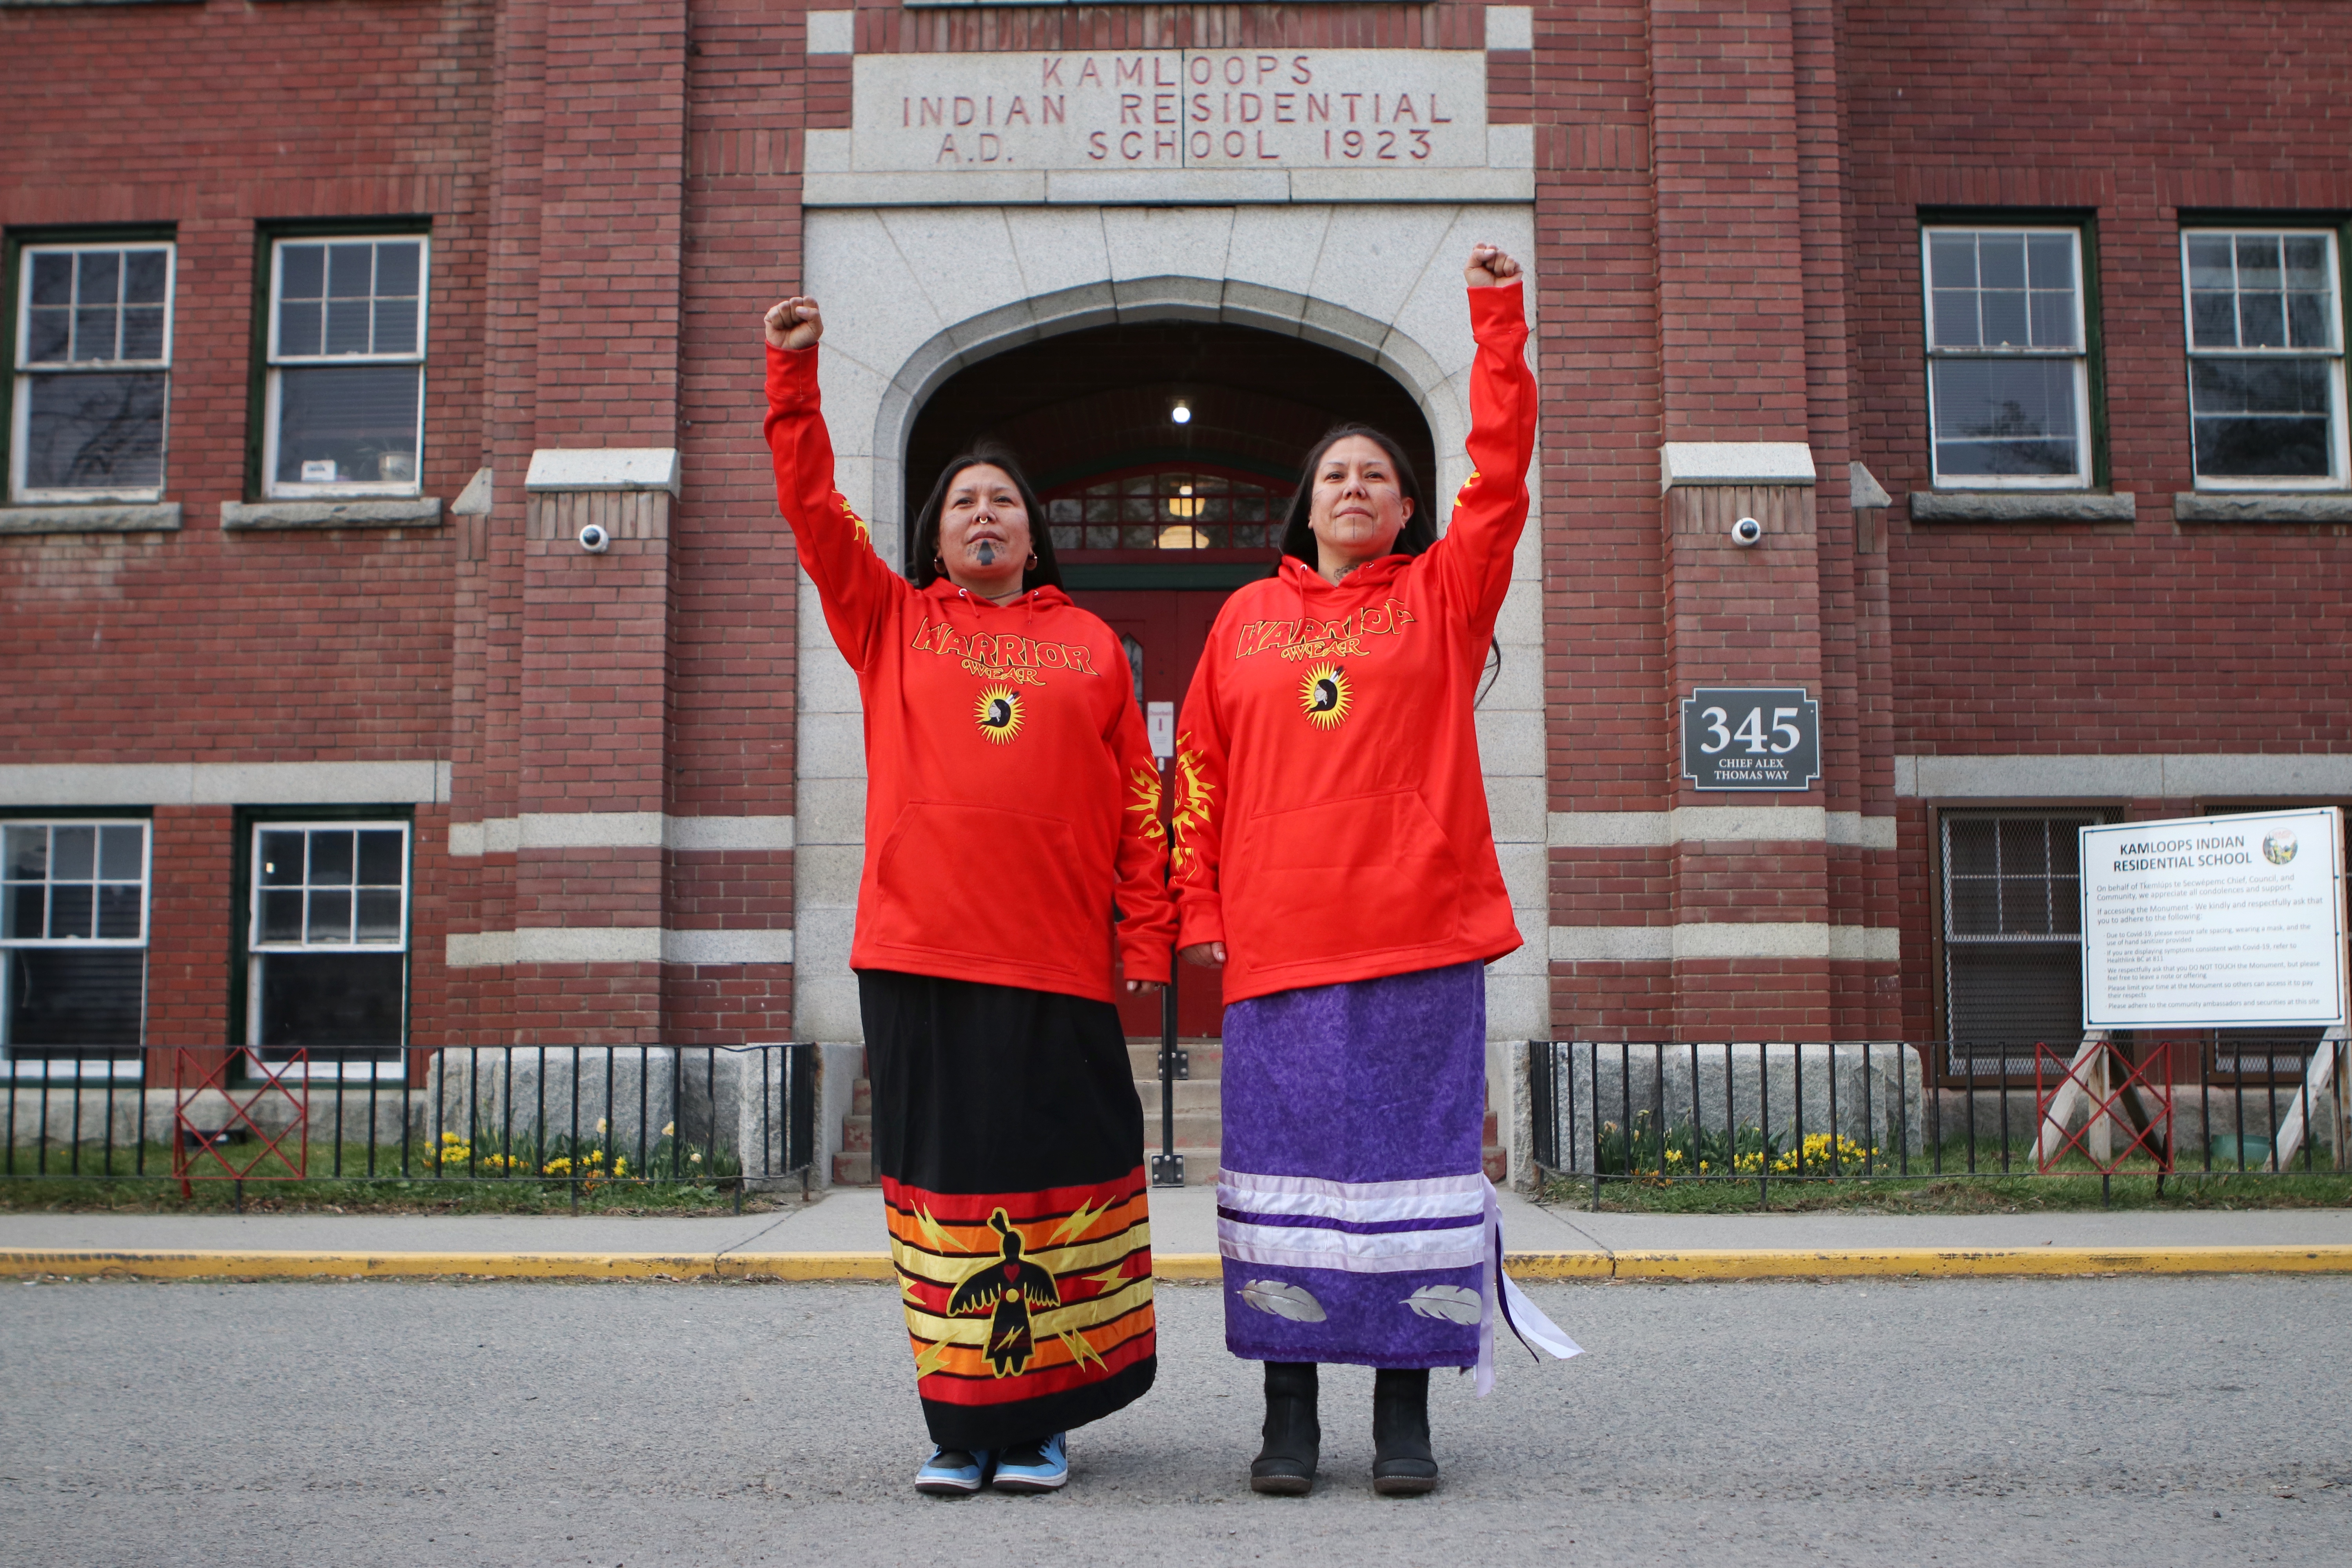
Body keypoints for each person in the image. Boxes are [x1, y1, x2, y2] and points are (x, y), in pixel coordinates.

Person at [1170, 244, 1579, 1499]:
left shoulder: (1447, 599)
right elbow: (1196, 776)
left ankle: (1407, 1423)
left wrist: (1496, 322)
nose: (1356, 488)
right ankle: (1287, 1423)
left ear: (1409, 509)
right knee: (1286, 1198)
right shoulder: (1243, 620)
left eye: (1381, 477)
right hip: (1282, 956)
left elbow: (1503, 479)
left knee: (1411, 1186)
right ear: (1307, 505)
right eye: (1337, 475)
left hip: (1421, 945)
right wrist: (1199, 910)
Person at [762, 292, 1174, 1497]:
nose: (983, 515)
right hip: (922, 956)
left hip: (1054, 962)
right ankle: (958, 1424)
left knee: (1052, 1189)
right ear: (934, 539)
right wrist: (794, 376)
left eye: (1002, 502)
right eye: (961, 504)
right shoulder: (889, 621)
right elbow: (810, 507)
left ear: (1033, 535)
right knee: (942, 1194)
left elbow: (1141, 806)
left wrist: (1145, 933)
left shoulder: (1094, 645)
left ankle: (1043, 1420)